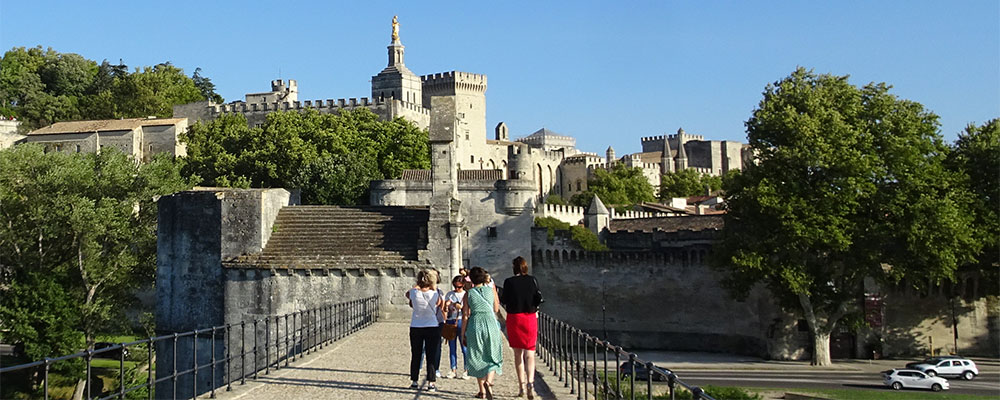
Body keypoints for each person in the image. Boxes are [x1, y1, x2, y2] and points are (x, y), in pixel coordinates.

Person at [500, 256, 543, 399]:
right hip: (530, 318)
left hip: (515, 318)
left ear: (514, 267)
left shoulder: (509, 282)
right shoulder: (532, 280)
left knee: (518, 354)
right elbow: (538, 298)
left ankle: (521, 386)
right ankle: (531, 382)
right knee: (530, 354)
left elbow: (504, 300)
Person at [462, 267, 504, 399]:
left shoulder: (468, 294)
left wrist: (463, 333)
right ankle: (489, 382)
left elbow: (465, 315)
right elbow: (496, 308)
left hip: (475, 324)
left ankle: (482, 391)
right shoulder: (491, 290)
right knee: (493, 354)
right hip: (490, 323)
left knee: (477, 356)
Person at [407, 269, 444, 391]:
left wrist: (418, 285)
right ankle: (431, 382)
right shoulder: (435, 293)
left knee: (416, 354)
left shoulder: (414, 292)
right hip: (432, 326)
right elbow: (440, 304)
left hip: (416, 326)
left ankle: (414, 381)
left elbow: (408, 296)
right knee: (431, 355)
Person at [444, 275, 469, 379]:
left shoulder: (465, 295)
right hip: (451, 321)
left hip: (461, 321)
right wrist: (447, 305)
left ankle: (466, 369)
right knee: (452, 347)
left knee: (464, 347)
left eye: (459, 286)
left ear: (463, 285)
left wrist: (461, 307)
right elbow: (445, 310)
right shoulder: (449, 294)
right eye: (455, 286)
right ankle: (453, 369)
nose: (456, 288)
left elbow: (467, 311)